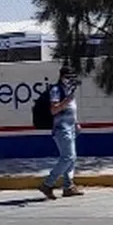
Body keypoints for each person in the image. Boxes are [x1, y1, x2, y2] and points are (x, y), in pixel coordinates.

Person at [39, 65, 83, 200]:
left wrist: (76, 123)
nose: (70, 80)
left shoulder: (69, 90)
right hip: (61, 129)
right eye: (68, 77)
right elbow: (54, 110)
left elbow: (71, 109)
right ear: (62, 77)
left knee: (72, 157)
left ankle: (68, 186)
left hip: (70, 127)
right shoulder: (56, 90)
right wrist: (66, 101)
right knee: (67, 157)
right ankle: (48, 184)